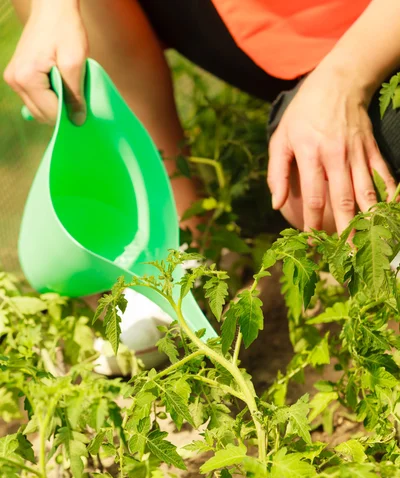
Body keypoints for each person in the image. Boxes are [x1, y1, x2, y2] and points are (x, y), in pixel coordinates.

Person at [4, 0, 400, 371]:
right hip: (260, 29)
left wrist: (342, 82)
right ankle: (176, 252)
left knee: (333, 191)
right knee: (312, 178)